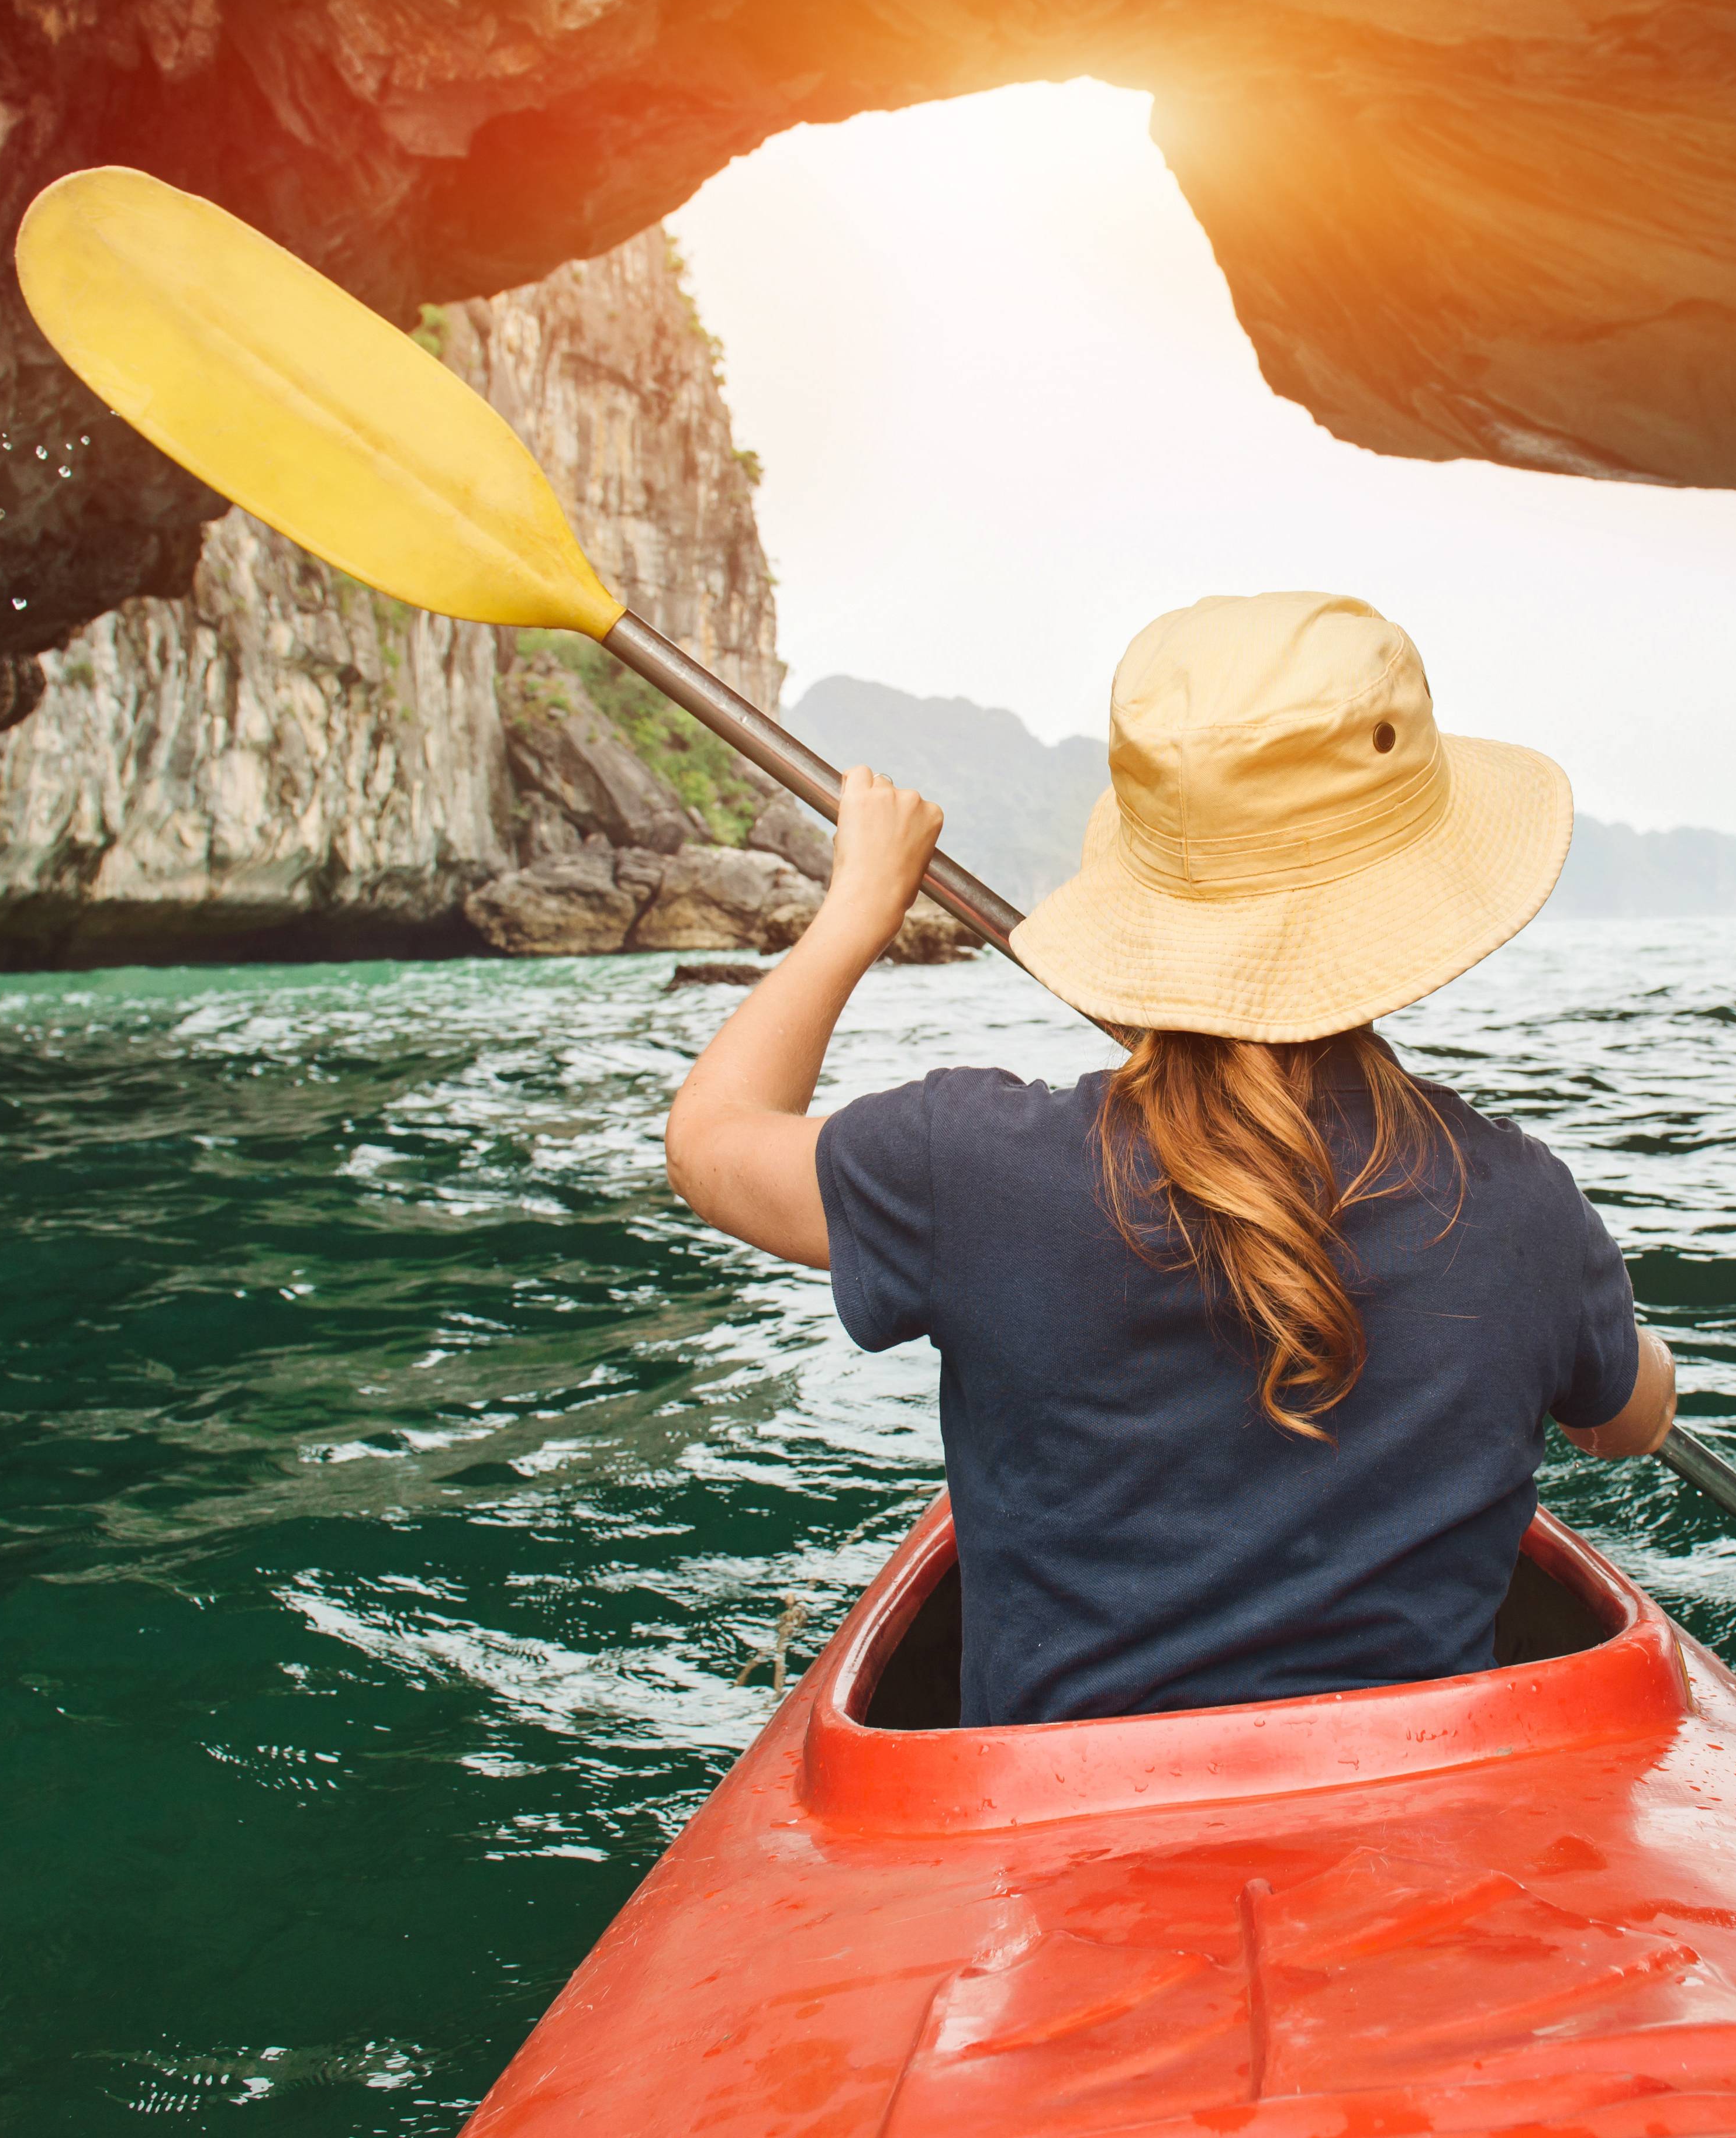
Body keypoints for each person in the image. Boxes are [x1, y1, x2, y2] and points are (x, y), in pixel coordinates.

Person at [664, 592, 1675, 1728]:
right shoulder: (1526, 1207)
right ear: (1414, 887)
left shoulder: (966, 1167)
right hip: (1417, 1803)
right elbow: (1626, 1423)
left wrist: (858, 908)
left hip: (1058, 1820)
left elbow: (710, 1142)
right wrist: (1594, 1327)